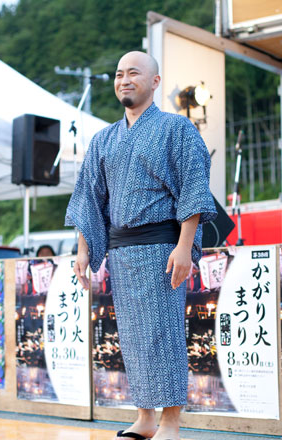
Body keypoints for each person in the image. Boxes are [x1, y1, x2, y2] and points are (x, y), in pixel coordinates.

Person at [65, 51, 216, 440]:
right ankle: (145, 417)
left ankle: (171, 423)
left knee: (163, 334)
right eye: (118, 74)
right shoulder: (103, 138)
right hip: (122, 251)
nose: (124, 79)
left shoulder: (177, 129)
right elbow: (89, 198)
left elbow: (194, 190)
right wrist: (84, 249)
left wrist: (185, 246)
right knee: (132, 337)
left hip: (161, 247)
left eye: (134, 72)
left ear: (155, 81)